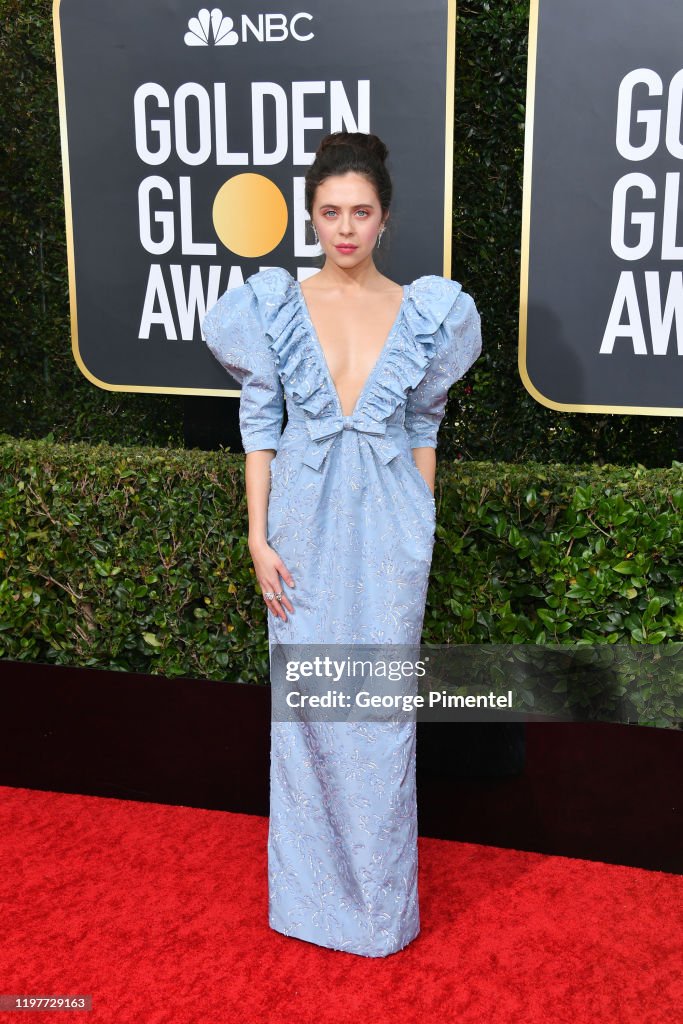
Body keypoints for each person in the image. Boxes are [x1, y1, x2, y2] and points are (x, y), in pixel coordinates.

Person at [201, 131, 482, 957]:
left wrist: (418, 524)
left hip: (391, 530)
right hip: (302, 529)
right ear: (312, 219)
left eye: (360, 212)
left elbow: (424, 421)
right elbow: (260, 427)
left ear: (385, 218)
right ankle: (310, 904)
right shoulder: (272, 306)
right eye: (330, 212)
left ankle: (377, 914)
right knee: (310, 715)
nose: (345, 228)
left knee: (380, 717)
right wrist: (256, 536)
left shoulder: (427, 310)